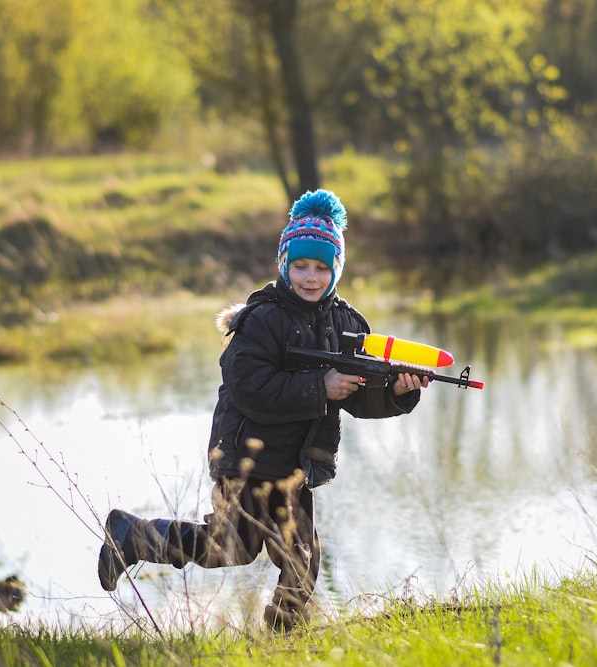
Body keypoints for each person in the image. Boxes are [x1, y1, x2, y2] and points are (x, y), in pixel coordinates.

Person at [98, 188, 428, 631]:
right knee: (228, 548)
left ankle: (280, 640)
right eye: (300, 265)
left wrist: (398, 393)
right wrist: (320, 387)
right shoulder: (262, 319)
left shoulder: (346, 324)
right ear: (284, 263)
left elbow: (357, 395)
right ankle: (132, 536)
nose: (311, 276)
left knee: (302, 560)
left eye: (322, 267)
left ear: (337, 270)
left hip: (296, 464)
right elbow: (250, 386)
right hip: (247, 459)